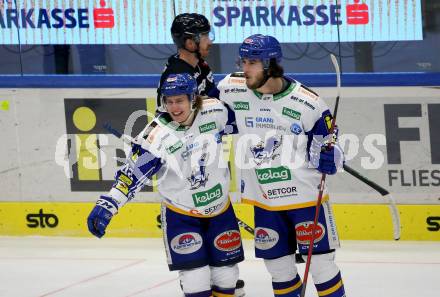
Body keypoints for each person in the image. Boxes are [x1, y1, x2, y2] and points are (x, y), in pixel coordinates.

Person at [88, 73, 244, 297]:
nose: (174, 107)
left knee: (227, 278)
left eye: (179, 100)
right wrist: (108, 205)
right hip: (181, 216)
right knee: (195, 282)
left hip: (220, 211)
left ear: (193, 98)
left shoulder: (215, 110)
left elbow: (250, 121)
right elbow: (132, 175)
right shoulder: (156, 135)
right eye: (169, 101)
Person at [218, 34, 346, 297]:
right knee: (279, 270)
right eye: (243, 61)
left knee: (322, 267)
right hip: (264, 202)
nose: (245, 68)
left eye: (253, 62)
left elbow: (331, 148)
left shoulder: (308, 103)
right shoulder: (232, 88)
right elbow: (197, 111)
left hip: (305, 201)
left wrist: (332, 157)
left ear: (272, 64)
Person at [156, 13, 219, 109]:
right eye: (205, 37)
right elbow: (180, 119)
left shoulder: (201, 64)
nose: (210, 42)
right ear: (190, 44)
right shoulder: (177, 76)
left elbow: (214, 98)